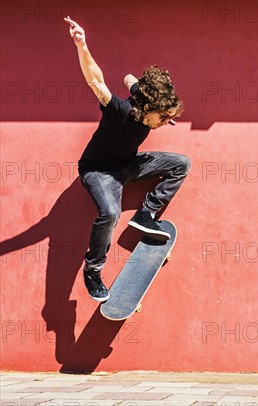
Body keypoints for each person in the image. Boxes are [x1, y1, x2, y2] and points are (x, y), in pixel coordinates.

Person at [64, 16, 191, 302]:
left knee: (181, 164)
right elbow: (95, 79)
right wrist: (82, 45)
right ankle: (93, 269)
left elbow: (130, 78)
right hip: (98, 171)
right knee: (109, 213)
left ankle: (146, 214)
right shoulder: (118, 110)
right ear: (148, 108)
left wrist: (161, 108)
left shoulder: (143, 99)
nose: (165, 122)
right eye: (163, 117)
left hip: (128, 165)